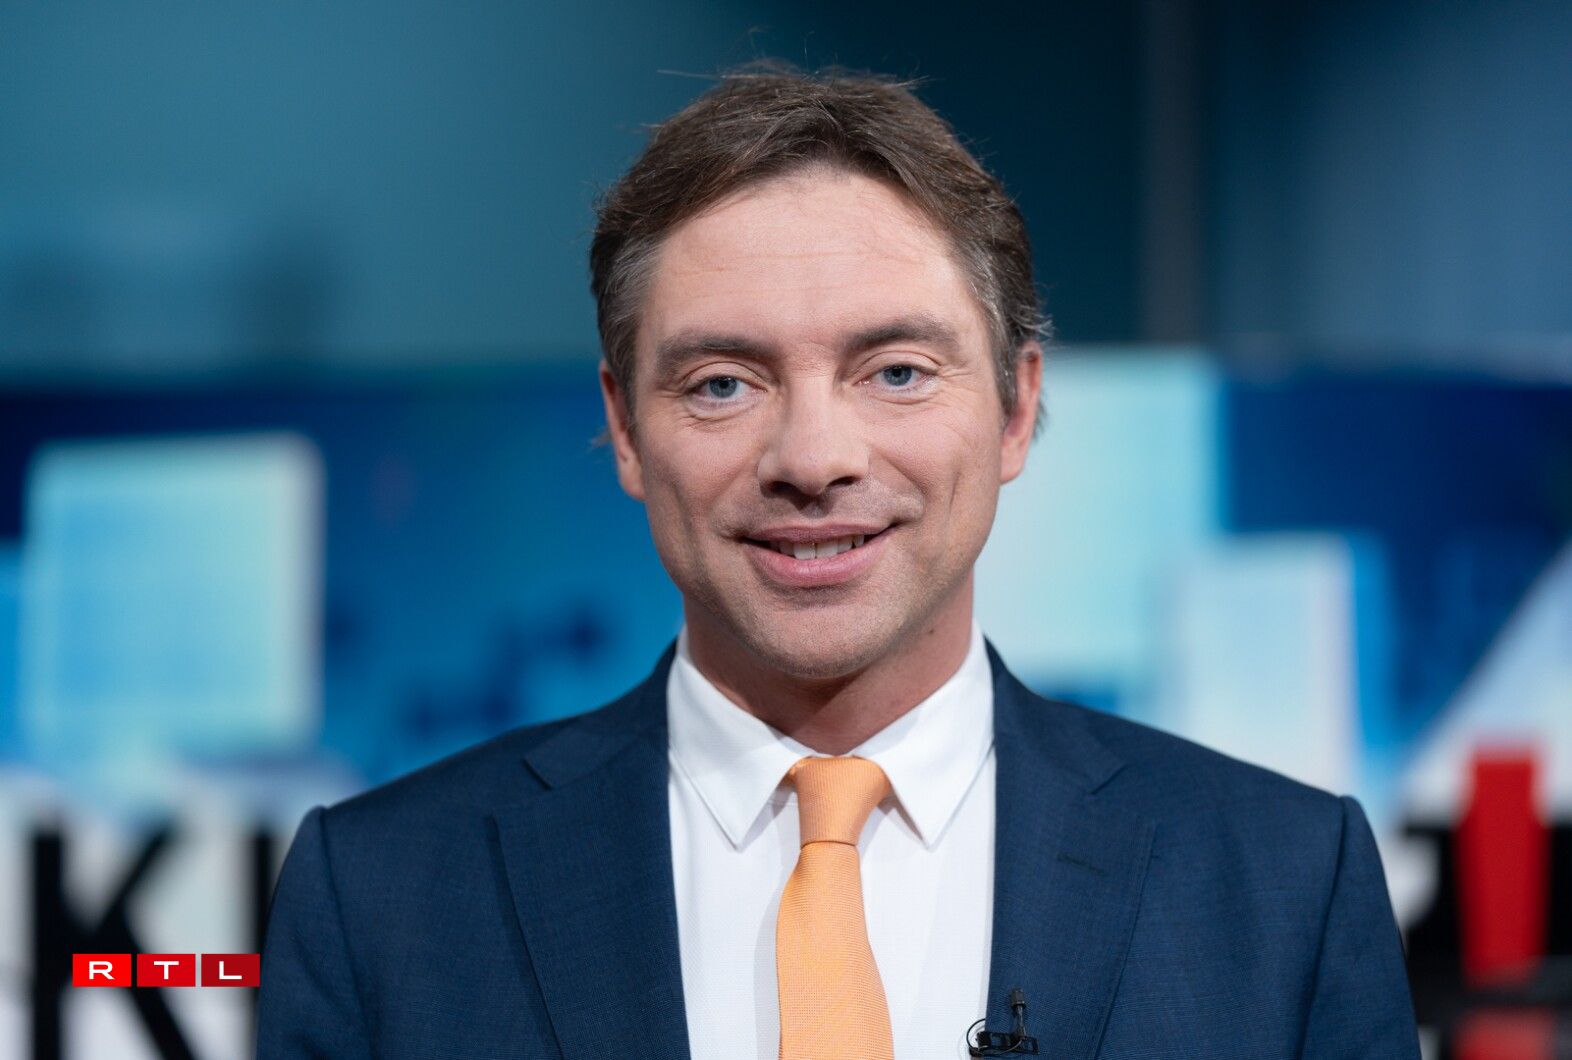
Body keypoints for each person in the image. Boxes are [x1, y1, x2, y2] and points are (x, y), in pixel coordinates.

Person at [256, 66, 1421, 1059]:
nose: (813, 459)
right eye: (724, 383)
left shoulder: (1282, 883)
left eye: (896, 371)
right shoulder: (382, 897)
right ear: (624, 428)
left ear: (1017, 409)